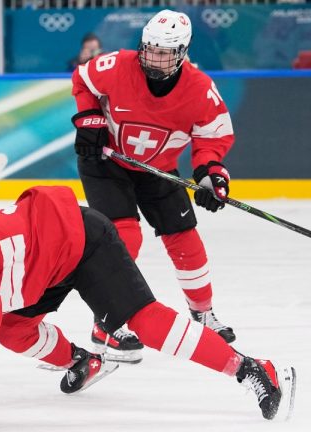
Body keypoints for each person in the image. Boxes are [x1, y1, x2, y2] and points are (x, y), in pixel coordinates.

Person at [0, 186, 296, 420]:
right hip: (38, 265)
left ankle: (252, 368)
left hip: (83, 241)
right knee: (16, 330)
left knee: (146, 322)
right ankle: (84, 362)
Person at [71, 10, 237, 362]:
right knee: (123, 236)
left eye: (163, 53)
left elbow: (212, 137)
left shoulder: (201, 90)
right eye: (149, 49)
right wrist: (90, 118)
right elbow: (83, 79)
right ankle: (107, 320)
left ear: (182, 53)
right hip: (105, 162)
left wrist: (210, 174)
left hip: (157, 169)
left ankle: (203, 312)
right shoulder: (116, 65)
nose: (153, 58)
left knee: (185, 236)